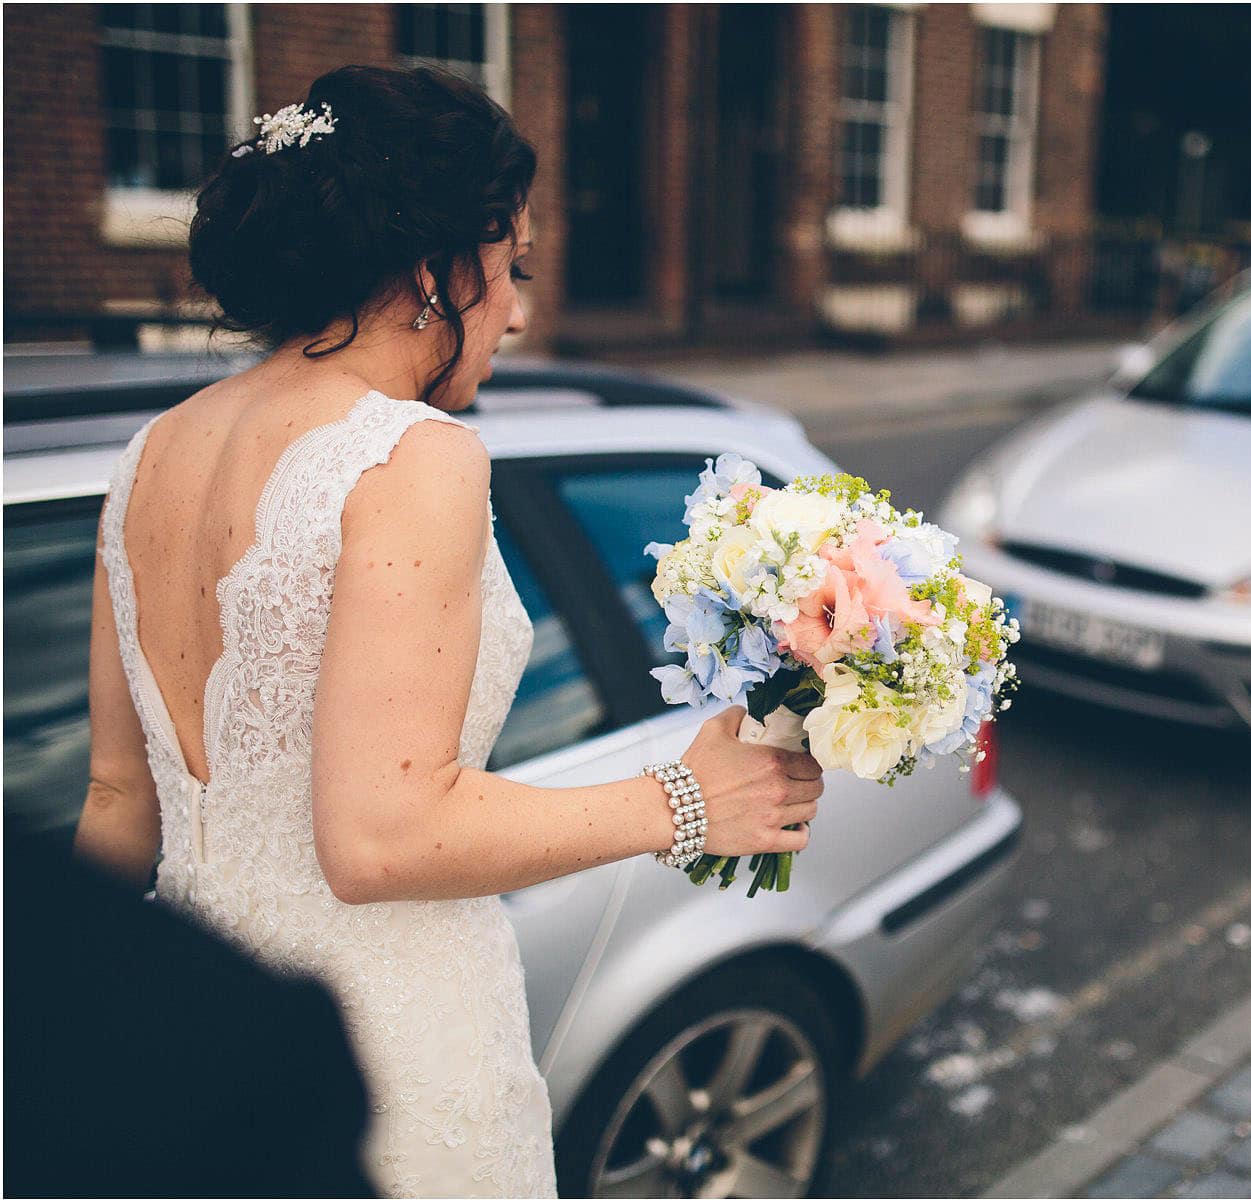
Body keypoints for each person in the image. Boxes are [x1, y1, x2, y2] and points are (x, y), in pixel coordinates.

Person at [74, 65, 823, 1198]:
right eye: (510, 265)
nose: (519, 309)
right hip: (380, 1044)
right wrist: (683, 801)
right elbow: (378, 838)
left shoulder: (148, 454)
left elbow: (118, 798)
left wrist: (58, 1021)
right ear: (433, 272)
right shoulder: (413, 454)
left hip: (186, 1027)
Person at [5, 828, 378, 1197]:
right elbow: (357, 865)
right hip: (247, 1007)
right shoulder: (267, 1051)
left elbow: (114, 794)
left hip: (169, 962)